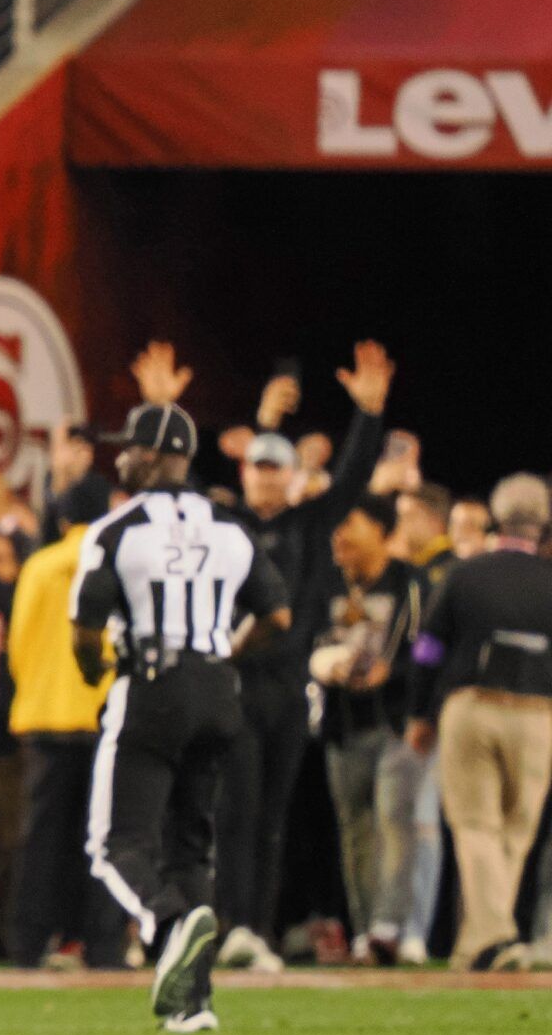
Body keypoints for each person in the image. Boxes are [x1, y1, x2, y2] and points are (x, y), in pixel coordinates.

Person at [70, 403, 290, 1034]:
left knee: (115, 846)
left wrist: (92, 672)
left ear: (156, 453)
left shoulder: (117, 529)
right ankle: (195, 1004)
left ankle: (166, 925)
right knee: (192, 845)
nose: (121, 458)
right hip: (219, 688)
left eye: (130, 448)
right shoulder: (231, 526)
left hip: (152, 684)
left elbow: (86, 629)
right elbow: (277, 617)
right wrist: (224, 653)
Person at [217, 346, 393, 970]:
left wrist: (369, 416)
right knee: (234, 811)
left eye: (275, 468)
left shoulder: (309, 525)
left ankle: (256, 931)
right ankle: (230, 926)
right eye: (257, 466)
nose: (264, 476)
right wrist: (264, 418)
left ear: (288, 477)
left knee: (272, 816)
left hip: (289, 690)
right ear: (244, 472)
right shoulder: (223, 521)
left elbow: (350, 479)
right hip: (234, 683)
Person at [406, 474, 552, 970]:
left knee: (475, 826)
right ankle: (487, 939)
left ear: (496, 515)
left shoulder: (466, 574)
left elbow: (427, 649)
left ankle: (488, 937)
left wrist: (419, 713)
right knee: (516, 831)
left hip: (472, 707)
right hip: (538, 716)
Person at [6, 477, 124, 969]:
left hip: (44, 719)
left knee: (40, 841)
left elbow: (18, 645)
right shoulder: (114, 565)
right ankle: (106, 947)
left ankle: (27, 945)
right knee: (104, 839)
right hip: (102, 719)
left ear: (62, 519)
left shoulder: (38, 566)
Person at [309, 495, 426, 964]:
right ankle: (364, 932)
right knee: (355, 831)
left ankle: (388, 926)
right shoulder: (326, 584)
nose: (340, 537)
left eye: (349, 525)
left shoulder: (408, 582)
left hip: (393, 722)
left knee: (393, 823)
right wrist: (325, 665)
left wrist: (392, 676)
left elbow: (429, 646)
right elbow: (310, 640)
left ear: (380, 530)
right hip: (342, 725)